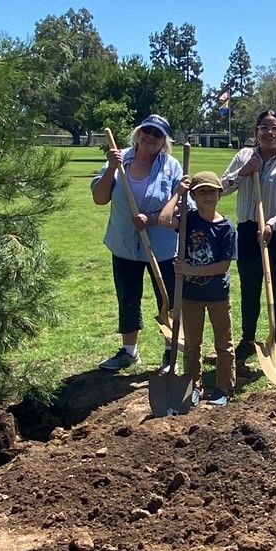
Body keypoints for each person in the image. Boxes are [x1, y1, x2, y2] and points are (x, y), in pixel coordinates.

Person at [90, 115, 183, 372]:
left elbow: (182, 208)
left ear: (164, 140)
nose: (150, 137)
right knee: (128, 298)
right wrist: (110, 168)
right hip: (125, 244)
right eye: (147, 131)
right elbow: (99, 198)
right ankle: (129, 352)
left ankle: (170, 353)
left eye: (157, 134)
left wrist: (153, 218)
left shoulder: (172, 167)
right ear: (139, 133)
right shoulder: (120, 159)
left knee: (169, 301)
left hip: (162, 247)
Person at [219, 110, 276, 373]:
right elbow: (222, 188)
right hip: (248, 231)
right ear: (256, 132)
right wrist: (245, 172)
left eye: (274, 128)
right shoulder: (244, 157)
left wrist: (272, 224)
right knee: (249, 288)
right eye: (263, 128)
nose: (269, 133)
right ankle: (248, 340)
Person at [160, 171, 238, 406]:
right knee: (192, 344)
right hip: (191, 295)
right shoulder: (188, 219)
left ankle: (224, 387)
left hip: (217, 295)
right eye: (201, 192)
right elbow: (164, 220)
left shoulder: (226, 228)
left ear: (219, 195)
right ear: (193, 195)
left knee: (223, 343)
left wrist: (190, 270)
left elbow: (223, 266)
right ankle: (194, 385)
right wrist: (178, 193)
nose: (207, 196)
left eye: (211, 192)